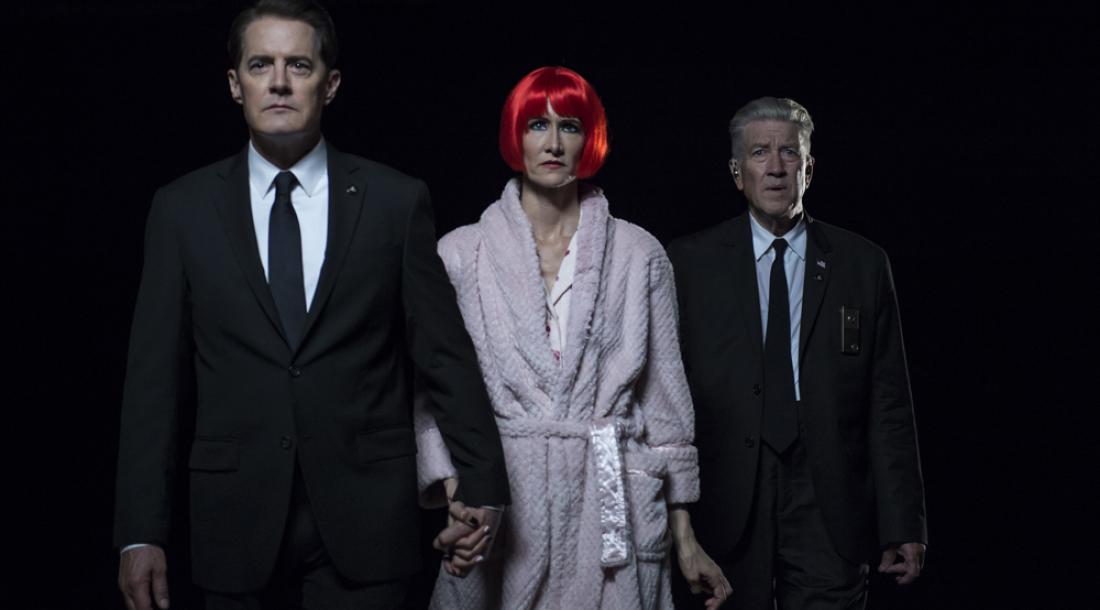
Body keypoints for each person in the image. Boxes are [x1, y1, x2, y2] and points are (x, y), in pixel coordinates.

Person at [113, 2, 509, 608]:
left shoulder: (395, 202)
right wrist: (140, 531)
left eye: (298, 65)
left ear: (331, 84)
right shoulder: (181, 210)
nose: (278, 82)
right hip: (232, 521)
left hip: (368, 518)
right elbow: (153, 383)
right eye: (260, 65)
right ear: (234, 84)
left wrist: (484, 485)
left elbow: (444, 355)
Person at [413, 66, 729, 610]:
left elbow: (667, 408)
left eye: (571, 126)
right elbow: (431, 394)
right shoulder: (460, 254)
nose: (554, 143)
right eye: (538, 124)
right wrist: (456, 490)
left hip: (610, 504)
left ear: (591, 139)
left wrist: (685, 537)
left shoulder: (639, 254)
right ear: (515, 136)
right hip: (501, 504)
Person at [667, 96, 928, 609]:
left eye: (789, 152)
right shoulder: (687, 263)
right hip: (726, 491)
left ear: (808, 169)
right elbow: (666, 398)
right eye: (759, 152)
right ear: (736, 172)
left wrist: (903, 522)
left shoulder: (863, 264)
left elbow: (889, 403)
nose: (776, 167)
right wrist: (677, 522)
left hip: (829, 493)